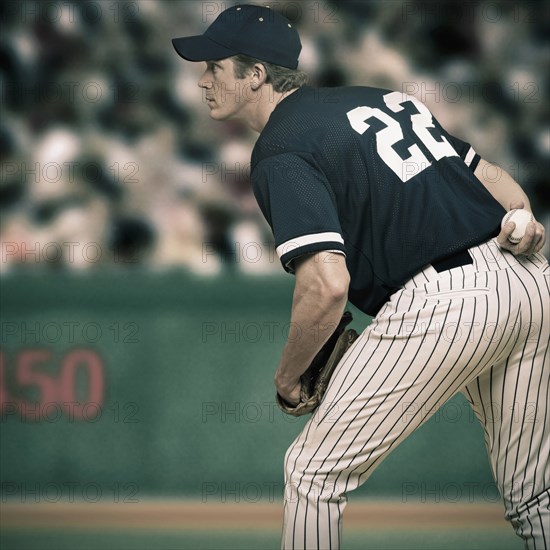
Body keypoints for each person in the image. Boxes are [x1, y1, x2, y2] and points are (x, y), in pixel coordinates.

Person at [172, 5, 549, 549]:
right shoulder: (378, 99)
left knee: (313, 475)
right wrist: (526, 219)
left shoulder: (280, 147)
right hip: (530, 282)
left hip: (449, 301)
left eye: (214, 66)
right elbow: (494, 181)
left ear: (255, 75)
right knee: (536, 496)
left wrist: (287, 376)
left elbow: (327, 285)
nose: (203, 79)